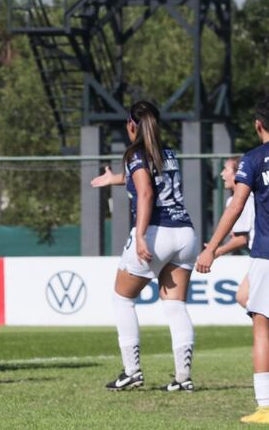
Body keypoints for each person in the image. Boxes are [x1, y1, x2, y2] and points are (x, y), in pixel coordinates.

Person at [91, 101, 198, 392]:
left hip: (156, 232)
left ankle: (132, 372)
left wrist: (140, 236)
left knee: (122, 299)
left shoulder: (135, 153)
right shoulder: (169, 153)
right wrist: (116, 178)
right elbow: (147, 180)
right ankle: (183, 378)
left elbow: (147, 192)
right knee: (176, 305)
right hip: (186, 233)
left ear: (130, 125)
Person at [196, 97, 269, 424]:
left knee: (262, 328)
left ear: (258, 125)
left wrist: (211, 247)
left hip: (266, 254)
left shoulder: (253, 159)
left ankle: (266, 407)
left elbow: (236, 206)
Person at [206, 157, 255, 308]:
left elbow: (241, 239)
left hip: (263, 257)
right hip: (261, 257)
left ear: (237, 174)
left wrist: (214, 251)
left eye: (226, 169)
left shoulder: (241, 200)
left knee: (244, 297)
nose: (222, 174)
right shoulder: (252, 196)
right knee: (245, 298)